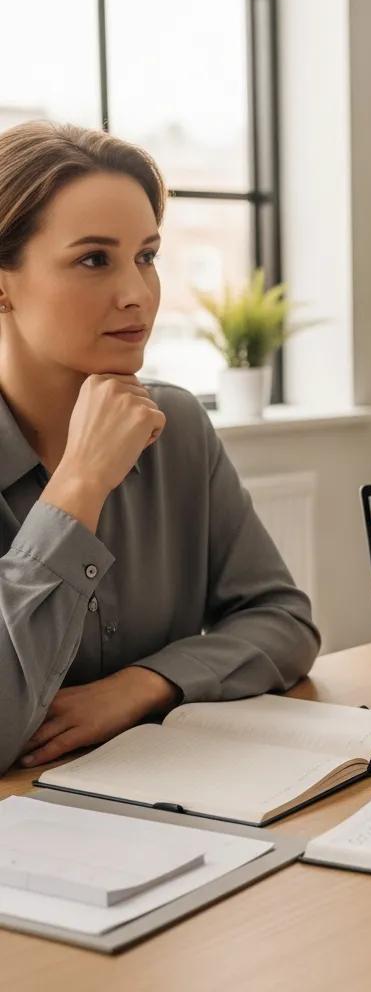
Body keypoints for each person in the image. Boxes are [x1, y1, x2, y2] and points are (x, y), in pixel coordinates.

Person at [0, 121, 320, 776]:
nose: (138, 295)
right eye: (95, 260)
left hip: (175, 798)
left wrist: (142, 686)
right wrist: (77, 488)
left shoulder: (175, 424)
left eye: (146, 256)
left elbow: (283, 621)